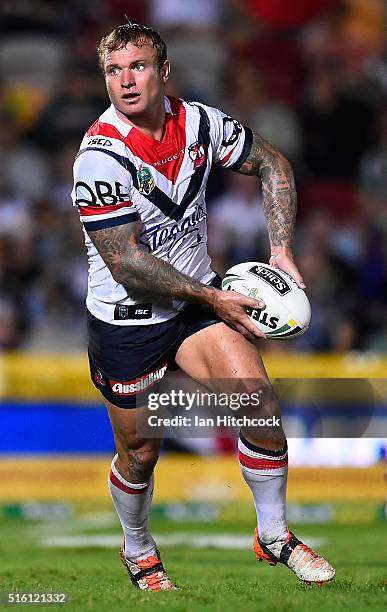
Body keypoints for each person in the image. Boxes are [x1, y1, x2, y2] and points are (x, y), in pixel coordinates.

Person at [72, 22, 335, 591]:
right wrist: (215, 295)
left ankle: (274, 534)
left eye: (137, 66)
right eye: (113, 71)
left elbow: (273, 163)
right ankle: (138, 545)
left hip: (193, 305)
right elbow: (127, 264)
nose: (125, 81)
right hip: (129, 321)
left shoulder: (201, 123)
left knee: (257, 400)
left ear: (165, 71)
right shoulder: (98, 158)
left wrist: (281, 249)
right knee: (141, 453)